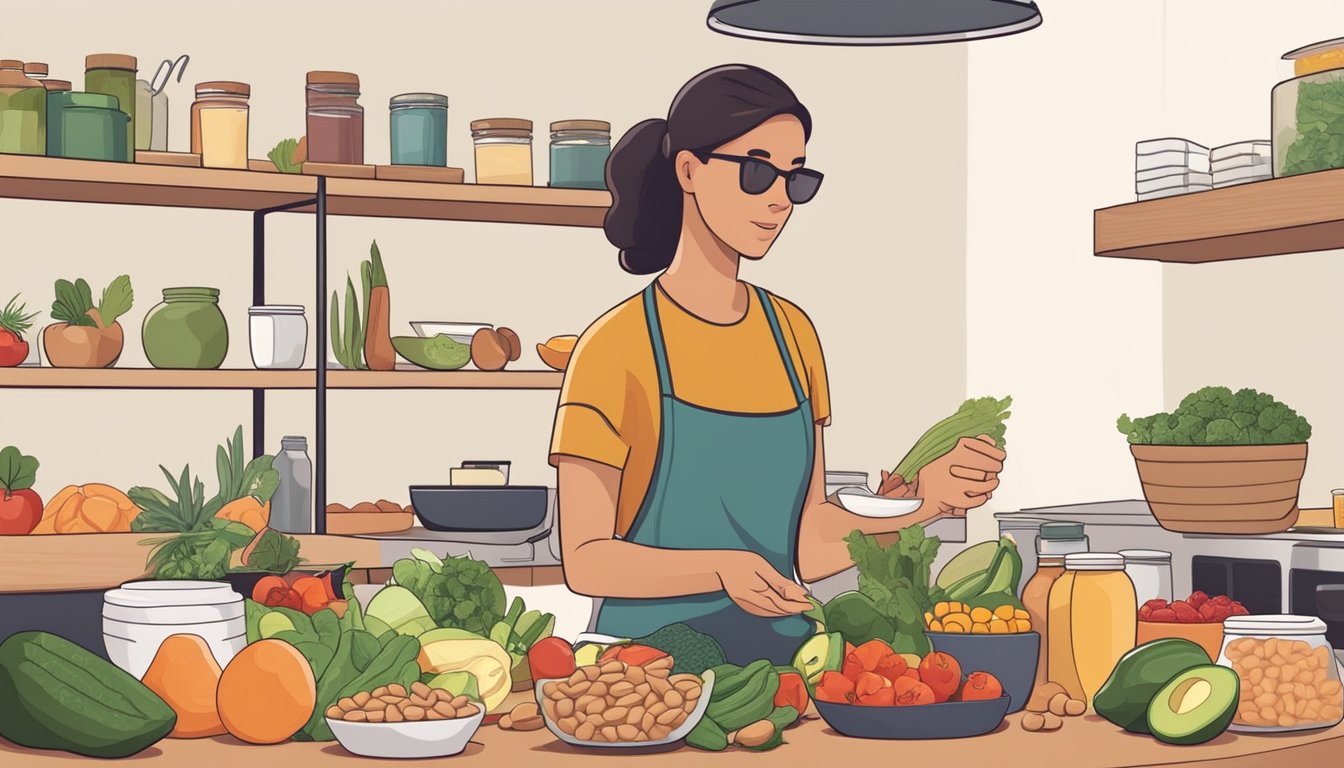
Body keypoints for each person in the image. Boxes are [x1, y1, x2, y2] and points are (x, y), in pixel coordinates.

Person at [548, 64, 1005, 664]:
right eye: (758, 171)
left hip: (784, 670)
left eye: (796, 179)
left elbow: (810, 545)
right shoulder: (616, 346)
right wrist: (722, 569)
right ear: (689, 169)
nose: (778, 201)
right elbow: (585, 560)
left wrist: (929, 503)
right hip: (643, 674)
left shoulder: (792, 334)